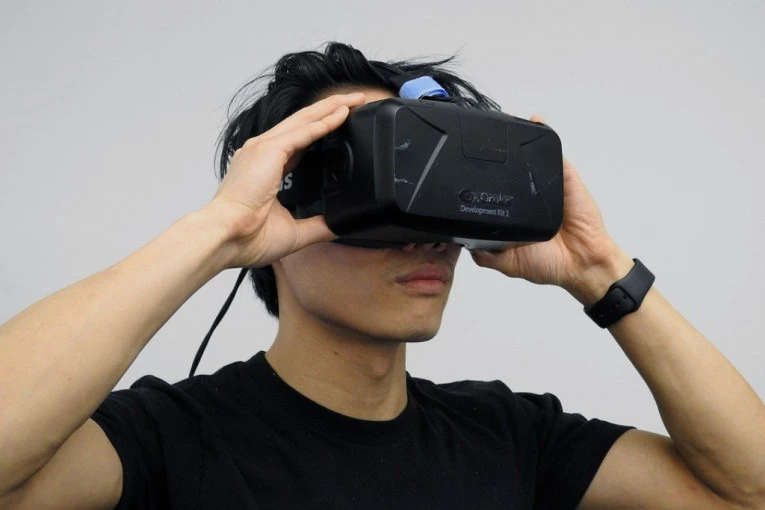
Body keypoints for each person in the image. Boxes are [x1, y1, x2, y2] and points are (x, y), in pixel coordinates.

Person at [0, 42, 763, 510]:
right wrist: (218, 230)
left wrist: (598, 269)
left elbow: (743, 490)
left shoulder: (507, 436)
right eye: (384, 194)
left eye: (438, 196)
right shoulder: (169, 437)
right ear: (284, 204)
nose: (424, 237)